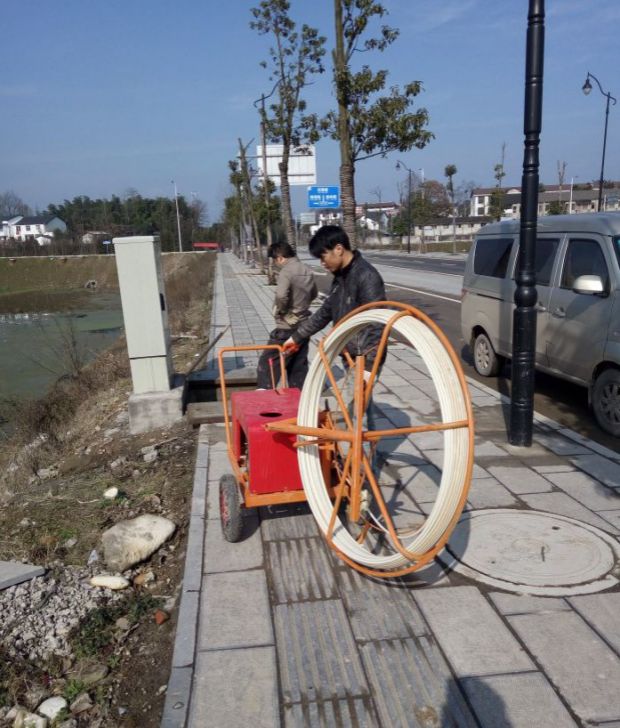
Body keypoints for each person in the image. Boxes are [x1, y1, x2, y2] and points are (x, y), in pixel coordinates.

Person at [284, 225, 386, 373]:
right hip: (348, 351)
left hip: (363, 355)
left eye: (323, 257)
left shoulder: (366, 276)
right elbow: (325, 311)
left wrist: (369, 366)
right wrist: (297, 337)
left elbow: (377, 323)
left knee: (357, 396)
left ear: (338, 249)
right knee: (354, 396)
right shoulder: (340, 277)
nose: (322, 263)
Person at [256, 241, 318, 389]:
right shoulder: (307, 269)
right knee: (298, 366)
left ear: (280, 257)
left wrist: (283, 311)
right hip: (303, 325)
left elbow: (281, 295)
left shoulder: (286, 271)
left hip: (286, 327)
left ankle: (263, 395)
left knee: (269, 363)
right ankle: (299, 400)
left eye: (275, 260)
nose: (276, 264)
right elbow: (314, 293)